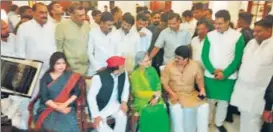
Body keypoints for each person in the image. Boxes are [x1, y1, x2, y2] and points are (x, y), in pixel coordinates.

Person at [201, 10, 245, 132]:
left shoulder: (237, 36)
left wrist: (224, 74)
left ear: (228, 22)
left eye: (220, 23)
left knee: (223, 102)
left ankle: (219, 123)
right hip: (211, 75)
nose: (217, 26)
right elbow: (204, 55)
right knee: (209, 101)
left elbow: (237, 58)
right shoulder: (210, 35)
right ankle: (207, 122)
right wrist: (213, 70)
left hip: (228, 77)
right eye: (216, 23)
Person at [230, 18, 273, 132]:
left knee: (253, 122)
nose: (255, 34)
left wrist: (269, 105)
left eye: (259, 31)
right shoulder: (251, 43)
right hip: (243, 90)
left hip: (259, 94)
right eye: (254, 31)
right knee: (244, 118)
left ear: (270, 30)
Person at [161, 45, 209, 132]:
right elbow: (165, 84)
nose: (176, 60)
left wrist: (202, 89)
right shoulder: (169, 66)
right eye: (175, 57)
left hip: (190, 94)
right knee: (177, 110)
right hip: (175, 94)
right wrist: (172, 94)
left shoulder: (195, 65)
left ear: (186, 59)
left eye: (179, 58)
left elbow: (199, 79)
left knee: (204, 107)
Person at [16, 2, 56, 98]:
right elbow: (19, 50)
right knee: (33, 96)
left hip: (51, 68)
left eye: (46, 13)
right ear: (33, 12)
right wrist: (23, 68)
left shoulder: (53, 26)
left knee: (50, 95)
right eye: (41, 12)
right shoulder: (24, 27)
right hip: (33, 69)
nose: (44, 15)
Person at [34, 52, 81, 132]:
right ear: (53, 64)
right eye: (58, 63)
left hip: (67, 106)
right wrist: (58, 108)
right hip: (48, 107)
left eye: (63, 63)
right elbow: (44, 97)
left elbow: (76, 92)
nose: (61, 66)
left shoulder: (71, 76)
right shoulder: (46, 78)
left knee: (70, 124)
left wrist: (64, 105)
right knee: (52, 127)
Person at [87, 56, 130, 132]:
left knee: (122, 116)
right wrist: (96, 115)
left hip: (115, 104)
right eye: (122, 65)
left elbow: (126, 88)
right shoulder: (98, 77)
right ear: (117, 67)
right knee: (100, 125)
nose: (124, 67)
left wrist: (124, 102)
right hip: (100, 107)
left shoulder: (124, 73)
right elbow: (91, 97)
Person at [131, 51, 170, 132]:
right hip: (142, 100)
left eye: (149, 60)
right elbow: (137, 93)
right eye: (146, 61)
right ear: (139, 62)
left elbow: (158, 85)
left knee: (161, 111)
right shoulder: (135, 74)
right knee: (149, 112)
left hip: (156, 98)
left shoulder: (152, 70)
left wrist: (156, 98)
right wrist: (152, 94)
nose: (149, 62)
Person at [56, 3, 90, 75]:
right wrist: (65, 66)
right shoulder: (62, 26)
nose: (83, 17)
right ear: (71, 14)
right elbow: (59, 49)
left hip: (87, 68)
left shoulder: (87, 25)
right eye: (80, 15)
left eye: (84, 14)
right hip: (71, 69)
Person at [87, 11, 115, 76]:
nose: (111, 27)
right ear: (102, 23)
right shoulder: (93, 32)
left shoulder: (114, 31)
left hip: (110, 69)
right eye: (108, 25)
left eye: (112, 24)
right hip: (96, 70)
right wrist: (98, 67)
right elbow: (89, 53)